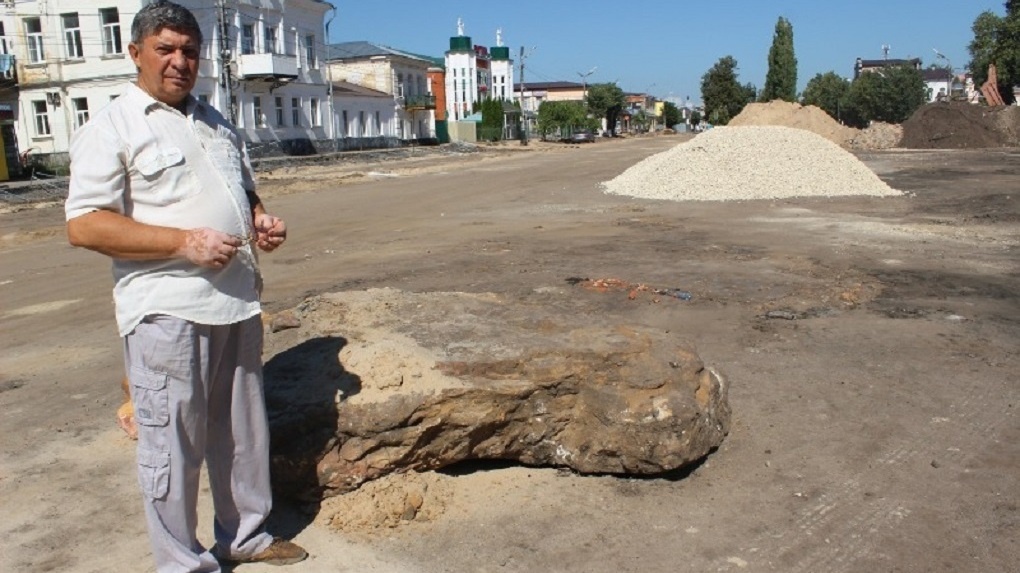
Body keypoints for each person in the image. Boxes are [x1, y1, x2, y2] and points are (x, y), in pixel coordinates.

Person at [65, 2, 306, 571]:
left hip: (236, 304)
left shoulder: (216, 120)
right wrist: (182, 242)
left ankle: (244, 535)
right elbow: (84, 224)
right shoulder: (113, 126)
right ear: (136, 54)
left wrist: (260, 222)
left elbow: (242, 194)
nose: (180, 62)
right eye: (166, 49)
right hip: (166, 312)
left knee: (242, 436)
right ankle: (181, 561)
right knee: (171, 447)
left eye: (189, 51)